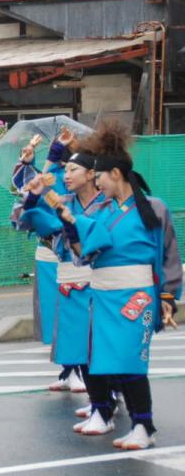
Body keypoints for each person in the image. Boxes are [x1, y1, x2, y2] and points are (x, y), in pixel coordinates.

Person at [48, 121, 181, 449]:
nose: (98, 182)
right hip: (103, 295)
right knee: (108, 361)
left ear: (116, 175)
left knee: (130, 360)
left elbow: (168, 255)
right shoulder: (103, 212)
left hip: (136, 295)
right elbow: (85, 252)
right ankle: (127, 420)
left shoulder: (154, 208)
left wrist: (167, 295)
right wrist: (69, 224)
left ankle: (144, 426)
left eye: (101, 177)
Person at [18, 149, 105, 409]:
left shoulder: (107, 203)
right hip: (70, 278)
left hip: (103, 282)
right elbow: (29, 218)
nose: (66, 175)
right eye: (65, 170)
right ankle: (98, 401)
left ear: (91, 174)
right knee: (78, 343)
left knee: (100, 343)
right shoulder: (62, 201)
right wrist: (33, 196)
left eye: (72, 170)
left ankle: (112, 399)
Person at [12, 128, 75, 389]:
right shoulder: (48, 177)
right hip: (47, 252)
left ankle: (79, 371)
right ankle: (67, 369)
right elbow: (24, 191)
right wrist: (28, 161)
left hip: (73, 255)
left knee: (74, 314)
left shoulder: (81, 182)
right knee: (52, 314)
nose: (69, 174)